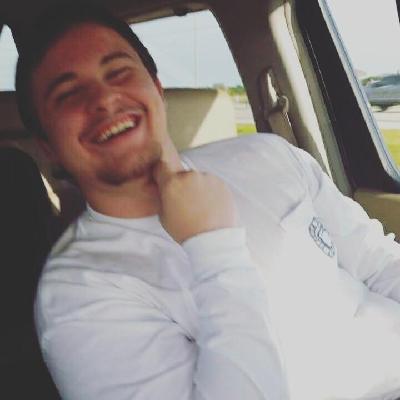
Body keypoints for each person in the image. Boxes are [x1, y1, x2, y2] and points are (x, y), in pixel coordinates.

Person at [15, 2, 400, 399]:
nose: (104, 98)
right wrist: (213, 248)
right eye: (68, 93)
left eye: (118, 72)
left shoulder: (269, 155)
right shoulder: (78, 294)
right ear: (48, 146)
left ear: (157, 88)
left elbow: (379, 264)